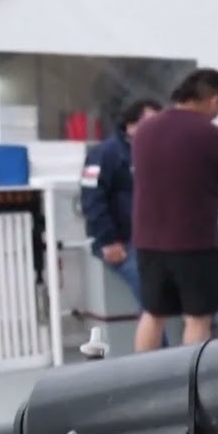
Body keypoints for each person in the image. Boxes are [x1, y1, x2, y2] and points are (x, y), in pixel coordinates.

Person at [131, 68, 218, 351]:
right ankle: (189, 376)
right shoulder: (212, 135)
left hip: (148, 242)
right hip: (194, 242)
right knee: (197, 318)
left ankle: (139, 375)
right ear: (214, 99)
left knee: (153, 314)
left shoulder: (144, 130)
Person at [79, 98, 160, 308]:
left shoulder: (158, 152)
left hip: (156, 240)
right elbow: (91, 200)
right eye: (150, 123)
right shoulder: (104, 154)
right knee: (151, 292)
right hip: (121, 241)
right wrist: (108, 241)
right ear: (131, 124)